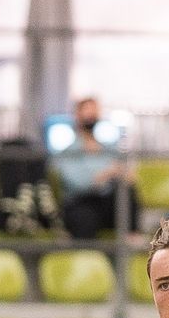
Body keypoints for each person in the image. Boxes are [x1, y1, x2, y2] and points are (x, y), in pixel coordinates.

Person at [52, 96, 138, 240]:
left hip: (106, 203)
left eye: (94, 111)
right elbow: (78, 184)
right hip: (81, 204)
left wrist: (122, 174)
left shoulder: (109, 150)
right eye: (87, 111)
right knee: (84, 218)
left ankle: (131, 243)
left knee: (125, 192)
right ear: (77, 115)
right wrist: (107, 174)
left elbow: (129, 176)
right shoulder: (67, 153)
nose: (91, 116)